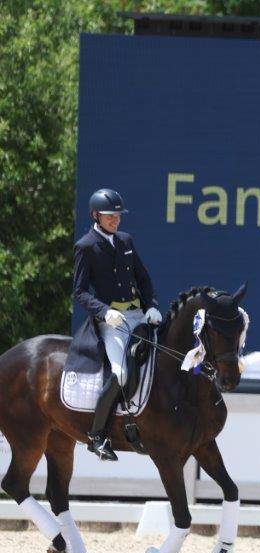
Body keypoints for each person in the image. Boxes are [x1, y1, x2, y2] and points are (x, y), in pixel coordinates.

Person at [71, 188, 164, 461]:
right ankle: (97, 435)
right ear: (95, 215)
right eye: (110, 216)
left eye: (118, 215)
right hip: (113, 321)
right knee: (121, 374)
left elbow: (143, 279)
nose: (116, 220)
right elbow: (79, 292)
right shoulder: (86, 246)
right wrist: (104, 312)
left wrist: (151, 306)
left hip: (138, 315)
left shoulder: (126, 241)